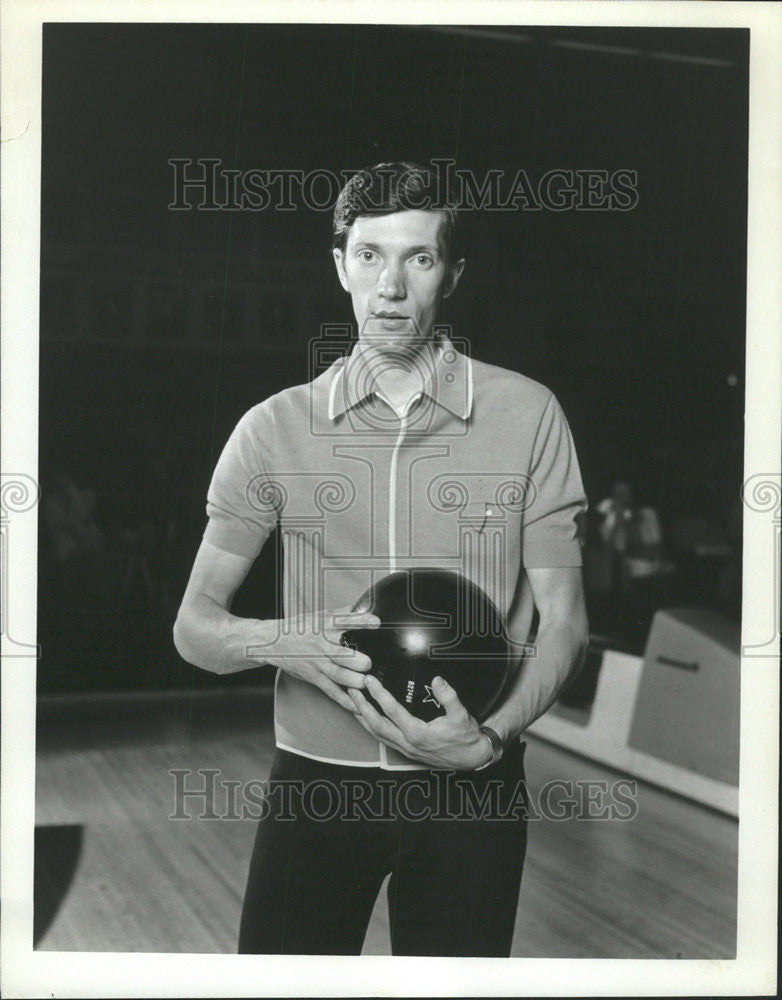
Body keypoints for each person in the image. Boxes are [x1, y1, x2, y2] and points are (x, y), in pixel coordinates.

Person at [173, 161, 589, 956]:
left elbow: (567, 622)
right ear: (339, 264)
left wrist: (489, 741)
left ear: (453, 273)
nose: (391, 285)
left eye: (419, 258)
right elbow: (194, 628)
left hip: (475, 788)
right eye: (369, 255)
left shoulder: (529, 413)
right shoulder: (271, 429)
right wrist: (278, 640)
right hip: (315, 791)